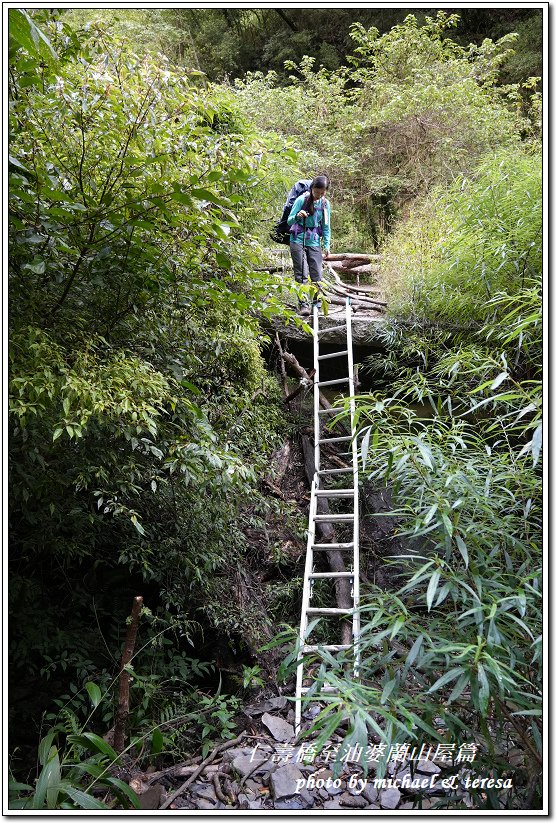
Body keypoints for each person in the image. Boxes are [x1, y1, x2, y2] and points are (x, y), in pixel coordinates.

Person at [287, 174, 331, 316]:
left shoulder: (325, 204)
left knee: (317, 274)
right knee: (301, 274)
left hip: (314, 240)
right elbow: (289, 221)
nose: (318, 195)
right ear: (312, 188)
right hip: (297, 239)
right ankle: (303, 305)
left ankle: (316, 305)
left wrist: (326, 244)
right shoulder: (301, 200)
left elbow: (326, 226)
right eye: (316, 192)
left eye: (322, 193)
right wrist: (297, 216)